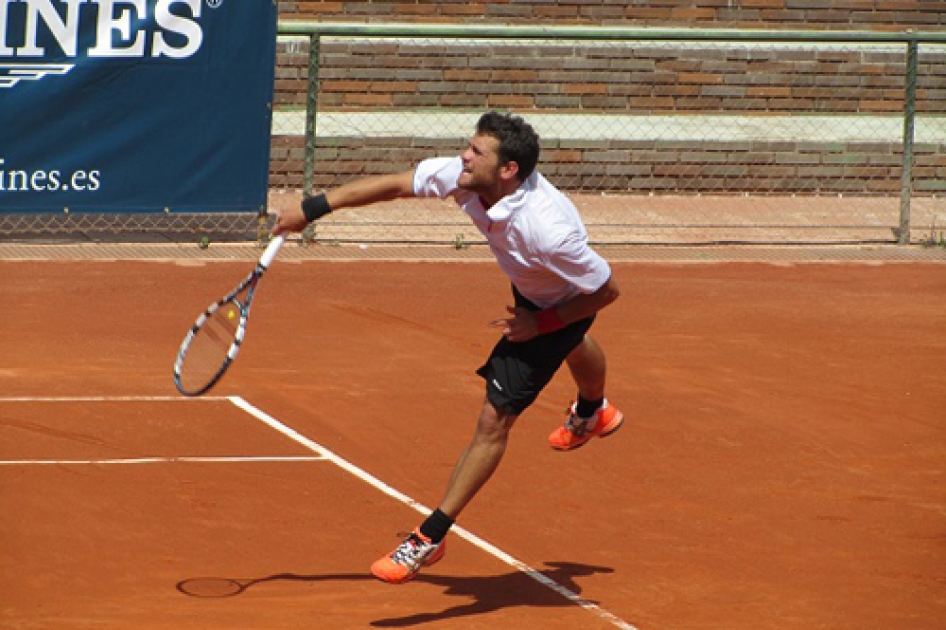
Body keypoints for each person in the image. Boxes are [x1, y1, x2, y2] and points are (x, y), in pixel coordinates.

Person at [273, 111, 624, 585]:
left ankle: (429, 537)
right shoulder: (465, 178)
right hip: (535, 288)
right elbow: (396, 185)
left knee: (493, 420)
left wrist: (540, 324)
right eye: (469, 145)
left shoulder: (547, 229)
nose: (464, 154)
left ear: (508, 171)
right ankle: (594, 411)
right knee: (574, 342)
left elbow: (605, 292)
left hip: (564, 302)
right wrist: (312, 208)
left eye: (477, 152)